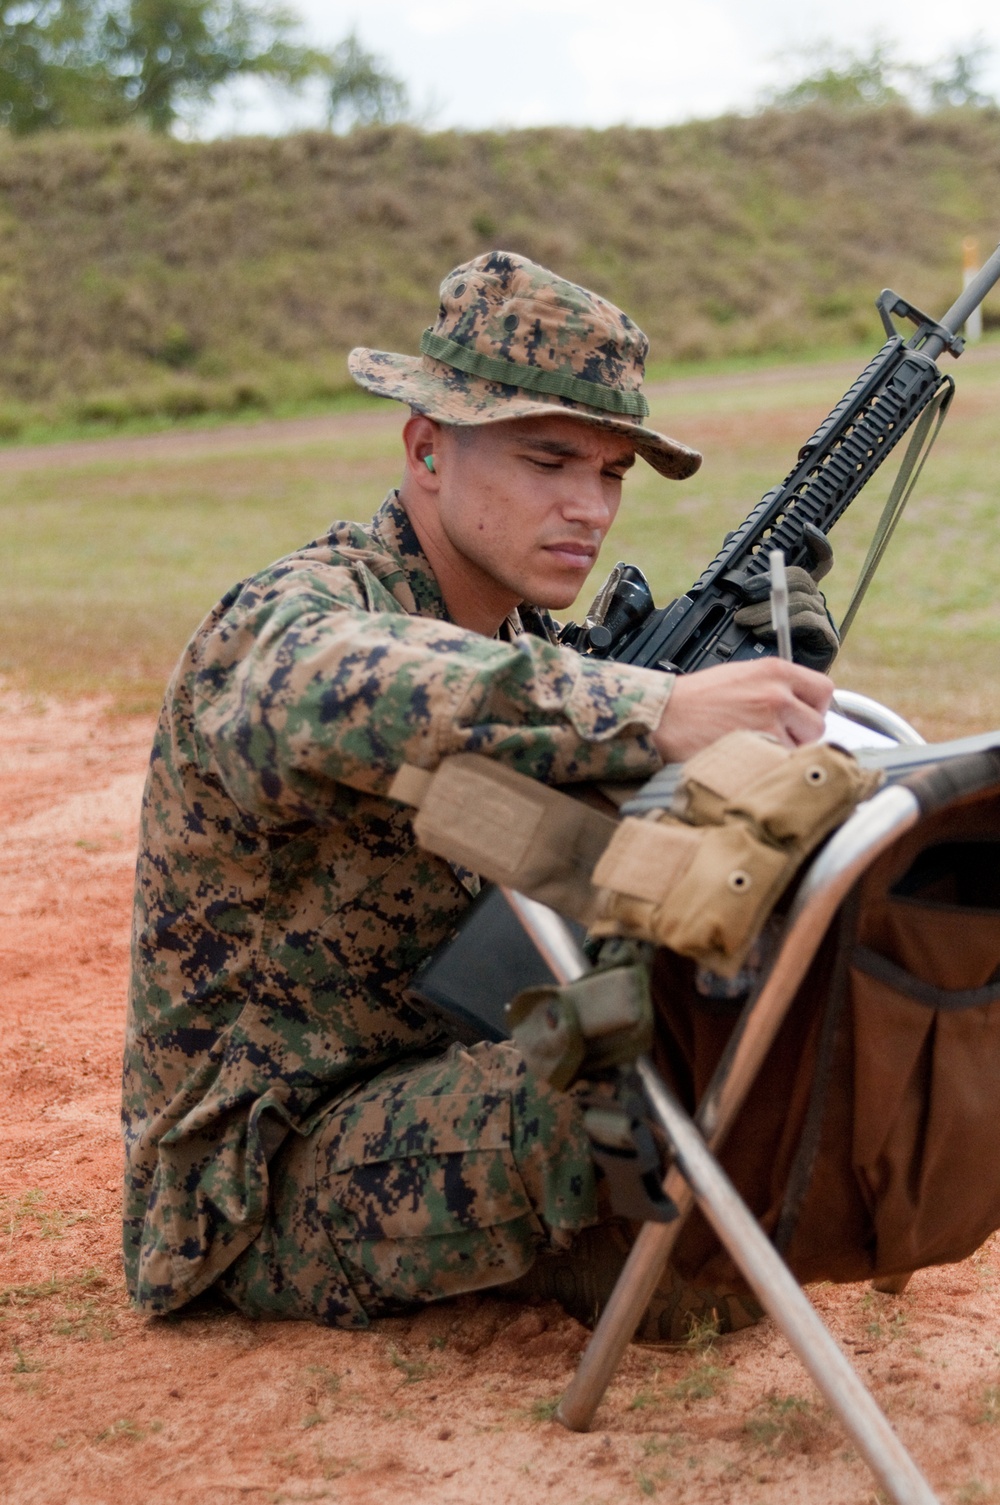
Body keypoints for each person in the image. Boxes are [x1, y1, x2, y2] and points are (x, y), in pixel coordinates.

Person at [123, 251, 836, 1336]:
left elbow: (576, 864)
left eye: (608, 473)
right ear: (425, 451)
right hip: (258, 1176)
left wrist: (739, 711)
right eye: (549, 459)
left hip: (447, 1070)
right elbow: (311, 692)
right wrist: (645, 709)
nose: (585, 506)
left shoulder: (526, 648)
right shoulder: (299, 612)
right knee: (648, 1116)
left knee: (736, 1036)